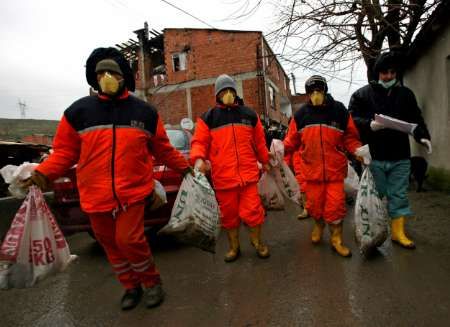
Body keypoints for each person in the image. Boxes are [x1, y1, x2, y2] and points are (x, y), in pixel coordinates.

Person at [23, 47, 192, 310]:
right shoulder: (78, 112)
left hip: (133, 193)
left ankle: (151, 283)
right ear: (94, 78)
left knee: (129, 240)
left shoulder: (144, 112)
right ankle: (130, 286)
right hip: (94, 195)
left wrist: (186, 169)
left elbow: (163, 149)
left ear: (124, 75)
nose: (107, 77)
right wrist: (42, 174)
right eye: (101, 73)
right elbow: (65, 153)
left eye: (112, 72)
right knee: (110, 244)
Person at [348, 51, 432, 249]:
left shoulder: (406, 94)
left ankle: (398, 233)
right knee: (374, 196)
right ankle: (372, 232)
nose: (388, 76)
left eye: (392, 72)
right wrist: (369, 124)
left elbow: (416, 119)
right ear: (378, 73)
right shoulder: (362, 95)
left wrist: (423, 137)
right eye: (385, 72)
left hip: (400, 156)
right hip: (373, 157)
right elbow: (351, 120)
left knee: (399, 195)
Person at [190, 74, 271, 262]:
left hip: (248, 177)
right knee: (229, 216)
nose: (227, 94)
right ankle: (234, 247)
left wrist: (264, 159)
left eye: (230, 91)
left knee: (253, 212)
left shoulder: (249, 115)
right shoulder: (208, 118)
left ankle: (257, 243)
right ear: (217, 94)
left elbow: (259, 142)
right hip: (224, 180)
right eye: (223, 91)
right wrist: (198, 159)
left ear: (236, 92)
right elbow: (199, 142)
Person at [283, 75, 363, 257]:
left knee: (335, 207)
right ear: (308, 94)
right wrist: (280, 149)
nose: (315, 94)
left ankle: (337, 239)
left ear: (325, 91)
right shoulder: (301, 115)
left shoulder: (339, 111)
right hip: (312, 173)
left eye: (319, 90)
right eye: (312, 91)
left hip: (335, 172)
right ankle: (318, 226)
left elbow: (350, 137)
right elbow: (292, 140)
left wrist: (358, 151)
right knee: (314, 206)